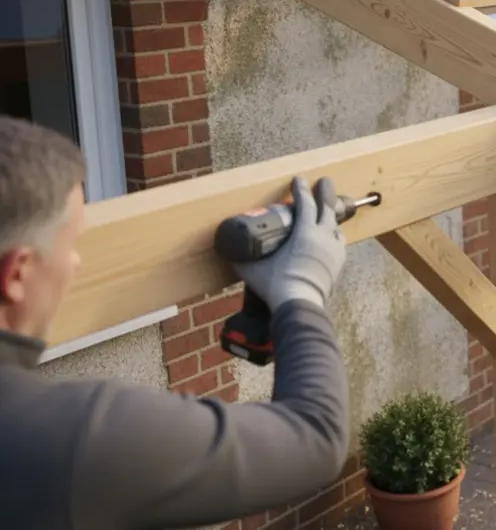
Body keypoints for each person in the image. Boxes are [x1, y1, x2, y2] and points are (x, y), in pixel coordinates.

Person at [0, 114, 353, 529]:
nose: (77, 264)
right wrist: (302, 292)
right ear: (17, 273)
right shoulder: (67, 442)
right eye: (73, 243)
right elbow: (316, 437)